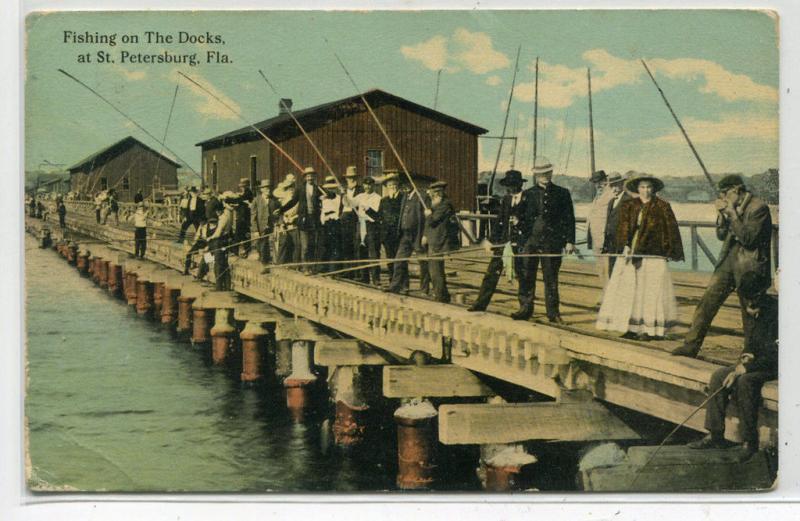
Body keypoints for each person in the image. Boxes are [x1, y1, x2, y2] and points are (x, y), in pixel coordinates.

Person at [672, 175, 773, 357]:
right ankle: (690, 346)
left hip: (750, 266)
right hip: (729, 260)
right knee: (707, 302)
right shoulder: (732, 205)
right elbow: (720, 235)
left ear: (736, 190)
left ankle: (750, 354)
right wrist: (722, 214)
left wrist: (733, 214)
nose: (724, 198)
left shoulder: (759, 208)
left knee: (749, 312)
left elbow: (748, 240)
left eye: (726, 193)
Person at [686, 271, 777, 460]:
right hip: (756, 363)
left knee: (746, 382)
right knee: (719, 375)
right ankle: (715, 434)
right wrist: (744, 359)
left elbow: (776, 355)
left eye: (751, 303)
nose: (748, 309)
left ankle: (749, 442)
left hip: (775, 366)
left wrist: (745, 368)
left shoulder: (777, 313)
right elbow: (752, 344)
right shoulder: (754, 310)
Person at [595, 174, 684, 340]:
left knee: (651, 291)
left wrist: (668, 251)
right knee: (630, 290)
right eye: (642, 187)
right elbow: (623, 228)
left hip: (653, 254)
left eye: (649, 187)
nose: (646, 191)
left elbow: (671, 230)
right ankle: (631, 327)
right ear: (637, 189)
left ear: (654, 189)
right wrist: (625, 245)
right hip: (632, 253)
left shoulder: (662, 206)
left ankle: (651, 330)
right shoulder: (630, 205)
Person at [516, 158, 576, 322]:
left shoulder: (562, 193)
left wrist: (570, 241)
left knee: (551, 278)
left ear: (551, 172)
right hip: (531, 243)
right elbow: (520, 218)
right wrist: (522, 240)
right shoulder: (528, 194)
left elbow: (569, 218)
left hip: (552, 243)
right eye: (542, 173)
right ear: (536, 175)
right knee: (527, 276)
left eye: (548, 172)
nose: (545, 176)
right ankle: (525, 309)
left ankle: (553, 313)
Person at [468, 169, 531, 312]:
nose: (510, 188)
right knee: (491, 273)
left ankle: (524, 309)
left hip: (520, 244)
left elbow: (532, 222)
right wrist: (490, 240)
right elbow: (499, 222)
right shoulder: (506, 200)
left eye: (513, 185)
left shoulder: (528, 199)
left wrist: (520, 222)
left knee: (523, 276)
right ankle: (480, 304)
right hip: (503, 243)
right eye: (508, 186)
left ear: (519, 185)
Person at [388, 179, 430, 295]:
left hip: (417, 235)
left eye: (407, 184)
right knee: (399, 260)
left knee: (423, 263)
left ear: (413, 183)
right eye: (403, 184)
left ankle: (424, 289)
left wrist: (425, 235)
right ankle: (396, 286)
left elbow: (428, 218)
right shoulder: (405, 196)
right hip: (405, 235)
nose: (404, 186)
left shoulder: (422, 196)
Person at [423, 181, 457, 303]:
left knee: (436, 270)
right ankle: (442, 294)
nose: (435, 195)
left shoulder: (445, 205)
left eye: (438, 192)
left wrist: (428, 214)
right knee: (434, 269)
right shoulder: (434, 204)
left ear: (442, 193)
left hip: (439, 240)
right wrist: (425, 235)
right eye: (434, 192)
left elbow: (433, 220)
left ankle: (441, 295)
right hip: (433, 238)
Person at [586, 170, 615, 287]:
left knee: (608, 269)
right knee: (600, 269)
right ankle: (605, 293)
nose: (598, 185)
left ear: (606, 180)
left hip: (606, 239)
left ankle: (610, 296)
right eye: (595, 182)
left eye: (601, 181)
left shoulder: (612, 195)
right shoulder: (597, 196)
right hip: (595, 239)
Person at [601, 173, 632, 273]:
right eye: (612, 185)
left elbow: (631, 225)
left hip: (622, 245)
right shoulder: (611, 201)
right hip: (611, 244)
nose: (614, 188)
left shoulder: (629, 200)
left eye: (617, 184)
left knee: (623, 273)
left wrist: (628, 245)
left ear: (622, 184)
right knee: (612, 273)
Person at [355, 177, 382, 286]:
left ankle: (376, 278)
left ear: (373, 186)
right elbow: (351, 203)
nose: (367, 187)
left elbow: (376, 214)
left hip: (371, 226)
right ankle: (364, 277)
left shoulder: (377, 198)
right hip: (361, 224)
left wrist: (367, 208)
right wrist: (345, 197)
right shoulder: (360, 196)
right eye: (365, 185)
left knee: (373, 252)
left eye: (370, 185)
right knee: (362, 251)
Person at [207, 192, 236, 291]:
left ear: (218, 211)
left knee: (218, 265)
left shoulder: (222, 219)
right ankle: (227, 286)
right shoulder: (228, 215)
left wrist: (210, 238)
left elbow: (218, 233)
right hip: (225, 241)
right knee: (224, 264)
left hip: (219, 242)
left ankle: (219, 287)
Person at [338, 166, 363, 279]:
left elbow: (358, 204)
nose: (351, 180)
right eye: (349, 178)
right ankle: (347, 271)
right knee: (345, 245)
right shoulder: (343, 191)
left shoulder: (360, 189)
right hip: (344, 218)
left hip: (355, 218)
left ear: (356, 178)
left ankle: (356, 272)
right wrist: (340, 215)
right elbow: (341, 205)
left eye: (353, 178)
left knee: (355, 245)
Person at [378, 172, 404, 281]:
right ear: (387, 187)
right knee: (389, 258)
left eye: (394, 185)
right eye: (390, 185)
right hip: (387, 235)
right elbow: (379, 216)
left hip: (399, 233)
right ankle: (391, 279)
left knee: (400, 258)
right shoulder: (383, 200)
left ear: (398, 186)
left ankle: (401, 281)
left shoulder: (403, 198)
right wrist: (367, 210)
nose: (392, 187)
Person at [251, 179, 280, 269]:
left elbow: (278, 213)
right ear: (261, 189)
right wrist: (255, 230)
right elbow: (253, 216)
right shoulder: (256, 200)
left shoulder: (274, 201)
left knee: (271, 244)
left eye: (269, 188)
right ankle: (264, 263)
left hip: (272, 226)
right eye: (266, 188)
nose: (268, 190)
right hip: (261, 227)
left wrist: (277, 224)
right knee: (261, 245)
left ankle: (270, 263)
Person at [297, 167, 322, 272]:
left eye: (312, 176)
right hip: (304, 220)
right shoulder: (300, 189)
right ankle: (305, 267)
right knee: (305, 246)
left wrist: (327, 195)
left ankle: (312, 267)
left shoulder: (318, 188)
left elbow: (331, 195)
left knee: (313, 245)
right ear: (305, 178)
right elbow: (293, 201)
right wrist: (281, 210)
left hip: (314, 220)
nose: (310, 178)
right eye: (308, 176)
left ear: (314, 177)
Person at [274, 173, 301, 265]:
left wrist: (295, 218)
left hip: (294, 223)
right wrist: (281, 224)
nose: (291, 189)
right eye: (288, 187)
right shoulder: (283, 199)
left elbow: (300, 210)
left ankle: (294, 265)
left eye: (292, 187)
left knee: (296, 244)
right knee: (283, 243)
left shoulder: (297, 199)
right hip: (284, 224)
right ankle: (280, 263)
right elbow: (280, 213)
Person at [319, 175, 343, 273]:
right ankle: (324, 268)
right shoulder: (322, 199)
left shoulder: (339, 198)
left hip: (335, 222)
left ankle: (334, 269)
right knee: (325, 246)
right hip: (325, 223)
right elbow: (322, 211)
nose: (330, 190)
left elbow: (339, 211)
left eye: (332, 188)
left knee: (335, 246)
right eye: (328, 188)